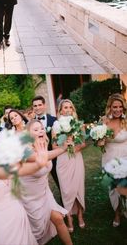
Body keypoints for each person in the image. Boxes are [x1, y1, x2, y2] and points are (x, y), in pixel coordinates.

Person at [20, 119, 72, 245]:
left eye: (41, 128)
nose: (40, 131)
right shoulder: (24, 150)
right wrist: (63, 148)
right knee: (36, 231)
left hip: (44, 192)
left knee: (58, 218)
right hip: (29, 197)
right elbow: (41, 158)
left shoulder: (43, 144)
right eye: (36, 129)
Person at [52, 99, 86, 233]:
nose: (67, 110)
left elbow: (83, 143)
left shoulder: (78, 124)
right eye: (65, 108)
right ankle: (69, 218)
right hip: (63, 160)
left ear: (73, 110)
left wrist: (74, 147)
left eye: (70, 107)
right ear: (60, 111)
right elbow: (54, 146)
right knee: (66, 190)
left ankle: (80, 215)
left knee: (78, 187)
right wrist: (65, 146)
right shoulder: (56, 126)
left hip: (76, 159)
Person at [100, 93, 127, 227]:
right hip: (109, 158)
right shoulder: (104, 121)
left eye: (120, 107)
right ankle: (117, 213)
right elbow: (100, 144)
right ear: (110, 107)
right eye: (114, 107)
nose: (117, 110)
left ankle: (125, 209)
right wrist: (99, 139)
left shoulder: (126, 120)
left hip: (125, 157)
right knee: (113, 188)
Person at [32, 96, 60, 190]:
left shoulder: (54, 120)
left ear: (44, 105)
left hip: (54, 156)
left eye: (40, 105)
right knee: (40, 184)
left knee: (59, 180)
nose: (37, 107)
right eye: (35, 106)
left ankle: (66, 202)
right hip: (38, 157)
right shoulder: (30, 123)